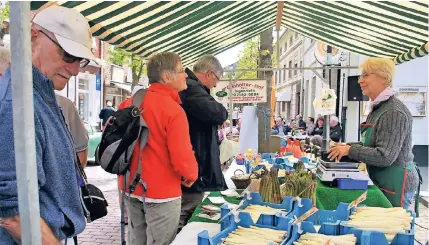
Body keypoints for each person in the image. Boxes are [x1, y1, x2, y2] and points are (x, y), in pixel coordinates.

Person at [0, 6, 96, 244]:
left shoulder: (39, 94)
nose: (75, 69)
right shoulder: (17, 103)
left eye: (79, 59)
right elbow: (12, 213)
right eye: (68, 55)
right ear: (34, 36)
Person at [119, 52, 198, 245]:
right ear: (166, 77)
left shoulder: (128, 103)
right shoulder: (173, 110)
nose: (186, 75)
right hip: (162, 192)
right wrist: (191, 175)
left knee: (136, 240)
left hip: (129, 186)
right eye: (181, 71)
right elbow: (182, 159)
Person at [328, 58, 419, 209]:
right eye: (360, 76)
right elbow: (371, 144)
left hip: (397, 184)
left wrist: (350, 150)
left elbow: (385, 156)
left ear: (383, 77)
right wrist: (346, 147)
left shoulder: (393, 111)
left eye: (365, 75)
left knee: (395, 230)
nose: (360, 81)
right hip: (384, 180)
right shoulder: (379, 108)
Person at [178, 55, 228, 231]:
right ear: (209, 73)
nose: (215, 85)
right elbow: (219, 113)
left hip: (191, 163)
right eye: (217, 80)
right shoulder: (192, 89)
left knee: (187, 210)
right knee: (187, 211)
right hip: (192, 164)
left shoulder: (192, 88)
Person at [56, 95, 89, 167]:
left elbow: (81, 152)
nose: (68, 82)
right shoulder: (63, 104)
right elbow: (81, 155)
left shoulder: (64, 104)